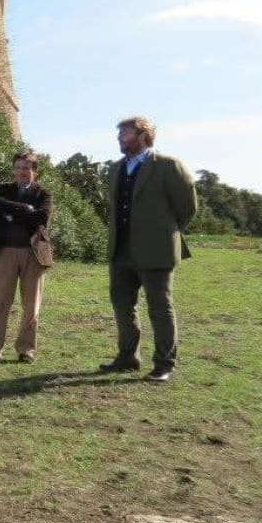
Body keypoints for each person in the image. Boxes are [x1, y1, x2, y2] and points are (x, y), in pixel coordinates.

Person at [99, 116, 197, 382]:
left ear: (143, 136)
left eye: (125, 133)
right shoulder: (116, 168)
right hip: (120, 250)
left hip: (156, 250)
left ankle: (164, 364)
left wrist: (164, 232)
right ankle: (127, 357)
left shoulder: (168, 166)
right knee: (122, 305)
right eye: (119, 134)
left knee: (160, 308)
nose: (119, 138)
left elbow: (187, 208)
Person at [0, 151, 53, 364]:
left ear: (34, 171)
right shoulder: (3, 189)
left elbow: (41, 217)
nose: (21, 172)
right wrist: (26, 209)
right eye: (18, 167)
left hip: (33, 255)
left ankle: (26, 351)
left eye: (26, 168)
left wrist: (12, 213)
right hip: (5, 252)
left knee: (31, 305)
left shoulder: (43, 194)